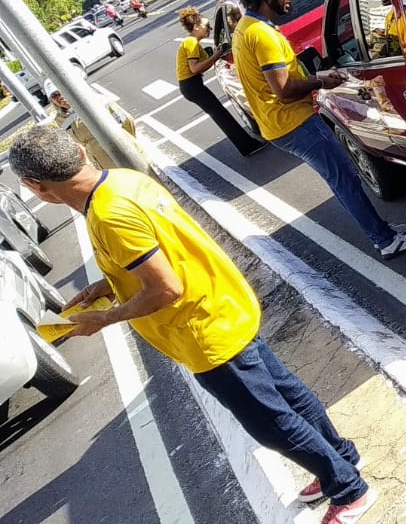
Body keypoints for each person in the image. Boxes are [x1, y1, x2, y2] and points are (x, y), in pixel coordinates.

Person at [7, 125, 378, 524]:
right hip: (224, 304)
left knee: (271, 423)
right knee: (288, 394)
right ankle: (339, 458)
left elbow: (165, 288)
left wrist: (104, 318)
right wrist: (110, 284)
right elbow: (162, 252)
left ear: (34, 186)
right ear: (80, 153)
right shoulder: (122, 182)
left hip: (203, 332)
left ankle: (349, 490)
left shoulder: (108, 215)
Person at [233, 0, 406, 259]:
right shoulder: (261, 35)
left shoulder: (247, 29)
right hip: (294, 123)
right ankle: (385, 240)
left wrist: (318, 75)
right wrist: (322, 81)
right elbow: (284, 89)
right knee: (344, 179)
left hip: (280, 124)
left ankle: (383, 231)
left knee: (341, 178)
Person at [175, 7, 265, 157]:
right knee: (220, 115)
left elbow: (200, 67)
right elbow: (195, 68)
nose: (209, 29)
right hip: (192, 86)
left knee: (220, 114)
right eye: (206, 26)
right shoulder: (191, 42)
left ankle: (247, 145)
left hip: (192, 86)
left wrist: (214, 55)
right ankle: (247, 147)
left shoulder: (193, 42)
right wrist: (216, 55)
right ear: (196, 27)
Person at [46, 80, 146, 170]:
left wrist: (127, 142)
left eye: (61, 91)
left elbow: (126, 121)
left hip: (128, 153)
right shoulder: (60, 120)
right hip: (106, 165)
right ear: (52, 101)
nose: (60, 96)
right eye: (54, 95)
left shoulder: (96, 100)